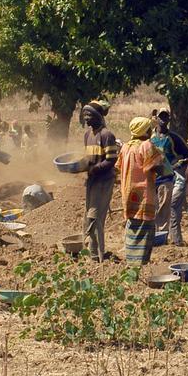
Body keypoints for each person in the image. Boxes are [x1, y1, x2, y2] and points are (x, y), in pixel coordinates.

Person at [116, 117, 165, 265]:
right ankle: (140, 264)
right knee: (145, 229)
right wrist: (161, 158)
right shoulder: (146, 146)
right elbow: (157, 168)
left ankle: (131, 262)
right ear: (144, 131)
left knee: (132, 226)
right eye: (149, 128)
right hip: (144, 195)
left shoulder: (125, 147)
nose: (151, 131)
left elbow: (118, 167)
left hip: (128, 195)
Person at [80, 100, 118, 260]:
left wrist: (95, 168)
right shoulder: (88, 135)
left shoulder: (106, 135)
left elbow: (111, 160)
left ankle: (97, 256)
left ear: (97, 116)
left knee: (95, 217)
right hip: (92, 181)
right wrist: (81, 166)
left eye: (89, 115)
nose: (86, 118)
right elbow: (89, 159)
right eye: (84, 115)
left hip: (103, 181)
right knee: (87, 217)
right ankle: (88, 252)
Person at [150, 111, 188, 246]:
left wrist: (178, 165)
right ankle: (154, 238)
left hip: (168, 178)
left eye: (166, 117)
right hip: (152, 178)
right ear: (156, 119)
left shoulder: (173, 138)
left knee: (166, 209)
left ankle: (164, 240)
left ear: (169, 119)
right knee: (153, 209)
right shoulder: (150, 137)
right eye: (161, 117)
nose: (163, 120)